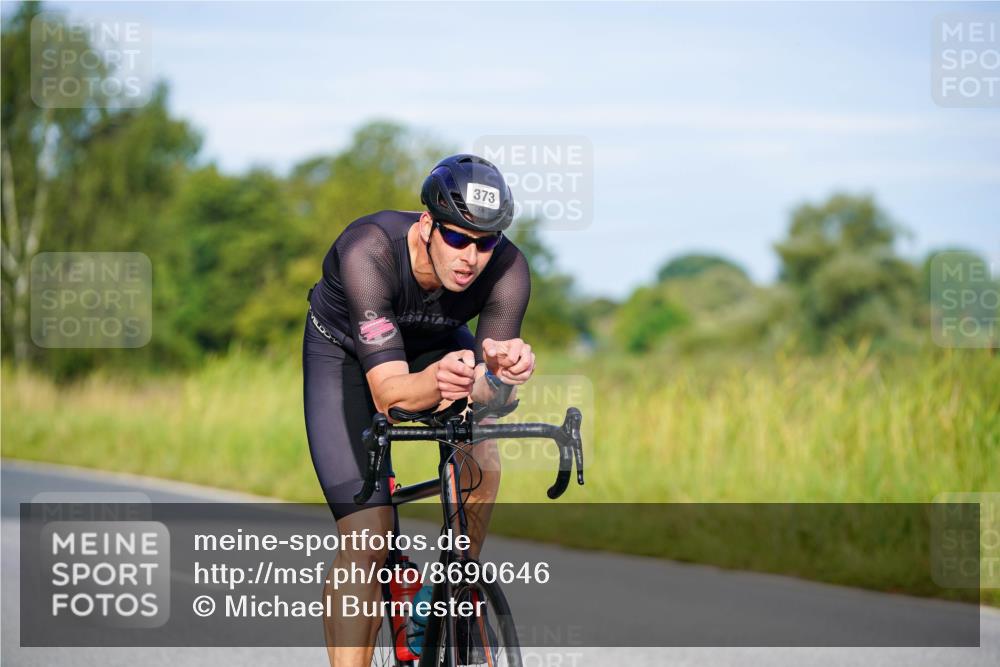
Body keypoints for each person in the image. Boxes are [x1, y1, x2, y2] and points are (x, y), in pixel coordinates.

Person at [302, 154, 536, 666]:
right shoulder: (370, 249)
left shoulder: (509, 269)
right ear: (427, 224)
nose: (470, 257)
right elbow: (389, 394)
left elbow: (488, 396)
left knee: (483, 446)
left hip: (431, 342)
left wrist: (499, 377)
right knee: (368, 538)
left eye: (485, 242)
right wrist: (434, 382)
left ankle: (448, 589)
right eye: (457, 238)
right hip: (342, 355)